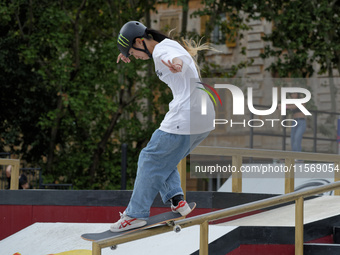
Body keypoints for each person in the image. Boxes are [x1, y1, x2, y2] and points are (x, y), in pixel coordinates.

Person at [111, 21, 215, 232]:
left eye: (133, 52)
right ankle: (177, 201)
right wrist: (126, 53)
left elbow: (174, 58)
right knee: (165, 158)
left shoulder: (162, 52)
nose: (135, 57)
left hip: (185, 117)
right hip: (204, 118)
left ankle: (134, 215)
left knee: (149, 158)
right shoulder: (167, 43)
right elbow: (174, 54)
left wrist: (176, 63)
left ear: (140, 41)